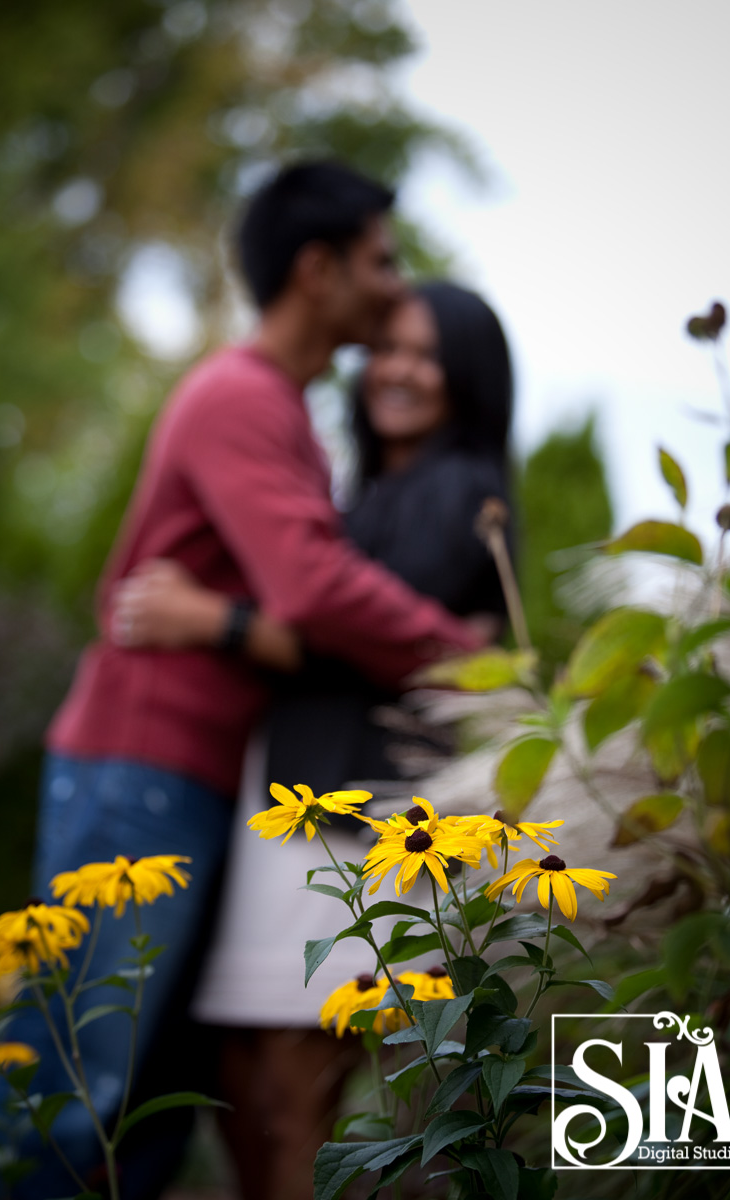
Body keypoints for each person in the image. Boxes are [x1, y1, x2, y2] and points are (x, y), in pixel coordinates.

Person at [0, 164, 486, 1200]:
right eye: (381, 265)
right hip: (141, 765)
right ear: (317, 269)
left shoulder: (287, 415)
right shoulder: (238, 399)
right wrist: (457, 655)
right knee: (75, 1068)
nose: (395, 290)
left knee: (153, 1086)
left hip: (193, 774)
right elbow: (315, 585)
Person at [111, 280, 514, 1199]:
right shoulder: (379, 491)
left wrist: (213, 618)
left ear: (469, 379)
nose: (397, 371)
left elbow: (353, 629)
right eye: (388, 348)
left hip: (349, 822)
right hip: (303, 805)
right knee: (252, 1082)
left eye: (427, 354)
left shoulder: (458, 488)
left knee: (295, 1092)